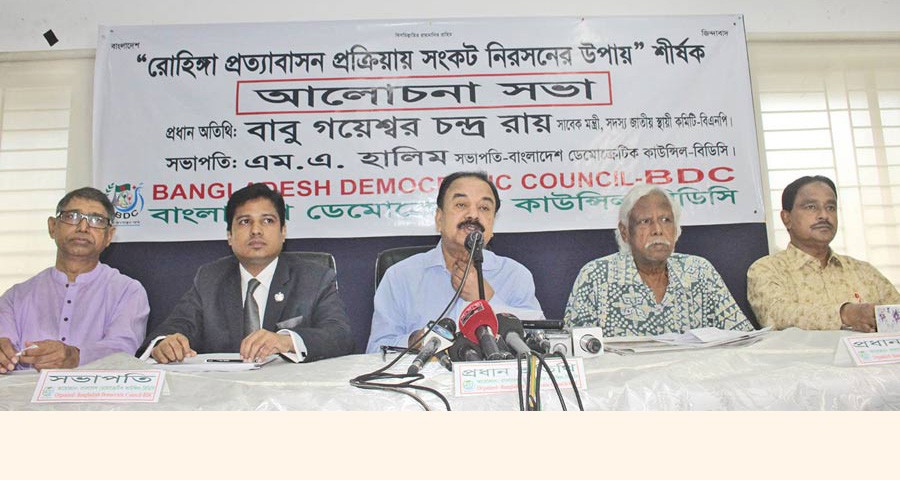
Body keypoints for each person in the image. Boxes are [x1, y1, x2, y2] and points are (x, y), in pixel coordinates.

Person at [143, 183, 354, 363]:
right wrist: (165, 343)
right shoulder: (210, 278)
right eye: (245, 221)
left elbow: (340, 336)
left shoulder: (314, 277)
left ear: (283, 232)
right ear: (229, 236)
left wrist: (287, 341)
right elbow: (176, 326)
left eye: (267, 220)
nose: (256, 230)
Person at [366, 171, 543, 353]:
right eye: (461, 205)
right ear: (439, 219)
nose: (473, 214)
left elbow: (538, 342)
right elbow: (375, 351)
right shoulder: (400, 277)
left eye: (484, 208)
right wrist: (417, 341)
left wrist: (486, 300)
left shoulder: (515, 275)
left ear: (492, 225)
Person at [564, 184, 753, 337]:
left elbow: (743, 337)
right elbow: (575, 350)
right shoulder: (596, 277)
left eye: (666, 220)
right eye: (645, 221)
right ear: (625, 232)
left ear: (676, 229)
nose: (657, 230)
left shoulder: (699, 271)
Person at [0, 187, 149, 373]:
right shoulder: (15, 297)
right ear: (52, 227)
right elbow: (4, 345)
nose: (83, 228)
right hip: (25, 392)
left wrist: (75, 356)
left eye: (97, 221)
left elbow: (124, 350)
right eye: (72, 217)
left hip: (97, 391)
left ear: (109, 236)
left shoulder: (127, 291)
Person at [747, 175, 899, 331]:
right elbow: (776, 316)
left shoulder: (864, 272)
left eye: (831, 207)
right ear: (787, 218)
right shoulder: (767, 269)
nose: (824, 215)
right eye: (811, 207)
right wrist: (845, 314)